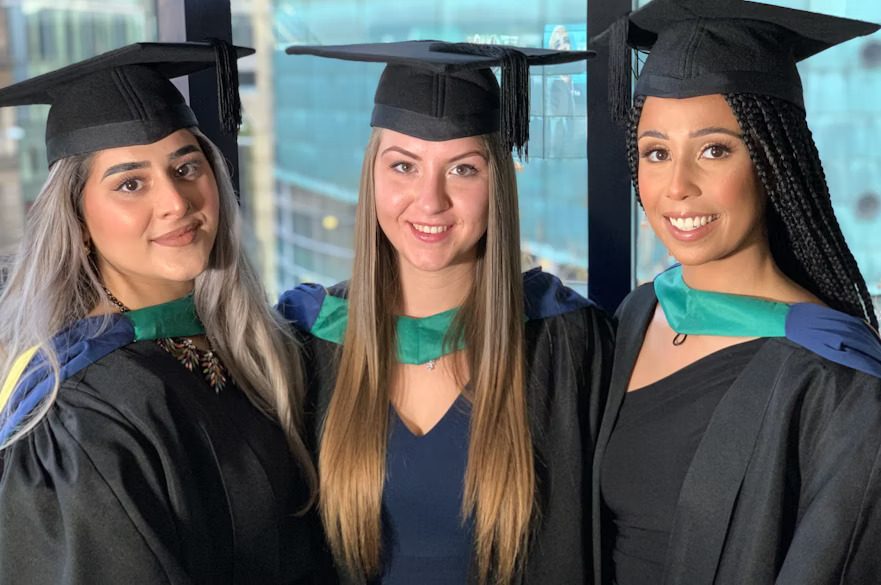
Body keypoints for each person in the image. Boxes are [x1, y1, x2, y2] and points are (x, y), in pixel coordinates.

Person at [279, 41, 614, 584]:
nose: (430, 199)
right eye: (404, 166)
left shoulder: (565, 341)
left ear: (498, 183)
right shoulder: (309, 339)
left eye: (462, 169)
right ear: (371, 176)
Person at [0, 42, 328, 584]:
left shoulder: (249, 345)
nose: (176, 202)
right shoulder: (83, 417)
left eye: (186, 166)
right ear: (78, 221)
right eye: (131, 183)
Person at [592, 1, 881, 583]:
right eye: (656, 152)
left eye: (714, 150)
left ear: (774, 161)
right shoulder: (637, 315)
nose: (677, 186)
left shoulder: (837, 380)